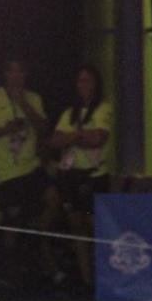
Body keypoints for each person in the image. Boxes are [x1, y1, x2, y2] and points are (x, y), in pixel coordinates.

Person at [0, 58, 61, 282]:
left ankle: (39, 240)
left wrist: (23, 104)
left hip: (30, 167)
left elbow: (44, 128)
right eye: (12, 72)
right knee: (12, 223)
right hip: (6, 173)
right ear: (5, 75)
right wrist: (4, 130)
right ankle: (9, 274)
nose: (16, 76)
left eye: (20, 72)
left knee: (53, 198)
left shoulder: (33, 98)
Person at [47, 65, 114, 286]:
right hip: (71, 176)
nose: (84, 85)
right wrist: (79, 136)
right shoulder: (69, 113)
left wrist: (72, 137)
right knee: (77, 226)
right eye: (80, 81)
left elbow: (99, 139)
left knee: (95, 226)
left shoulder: (103, 109)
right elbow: (54, 141)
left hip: (95, 175)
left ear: (96, 84)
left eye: (88, 81)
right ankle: (87, 282)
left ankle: (105, 276)